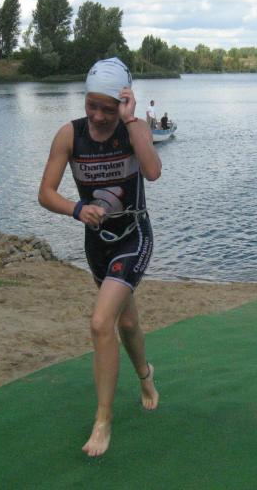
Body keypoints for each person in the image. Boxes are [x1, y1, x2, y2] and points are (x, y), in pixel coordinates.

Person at [38, 57, 162, 457]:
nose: (98, 115)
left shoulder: (133, 129)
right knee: (126, 320)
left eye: (108, 108)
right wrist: (76, 209)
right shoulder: (69, 135)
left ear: (123, 102)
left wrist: (131, 120)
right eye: (92, 105)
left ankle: (102, 421)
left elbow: (153, 171)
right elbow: (46, 193)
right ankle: (145, 373)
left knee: (100, 322)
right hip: (97, 242)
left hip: (133, 235)